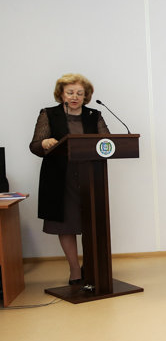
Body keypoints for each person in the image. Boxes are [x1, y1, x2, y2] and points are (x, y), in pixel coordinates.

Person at [29, 73, 110, 285]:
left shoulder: (94, 115)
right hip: (60, 178)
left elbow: (108, 142)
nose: (75, 97)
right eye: (70, 92)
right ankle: (75, 269)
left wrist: (109, 143)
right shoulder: (49, 114)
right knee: (66, 224)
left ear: (86, 96)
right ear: (61, 94)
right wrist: (45, 143)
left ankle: (91, 266)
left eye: (80, 93)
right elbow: (35, 145)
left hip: (90, 176)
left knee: (92, 222)